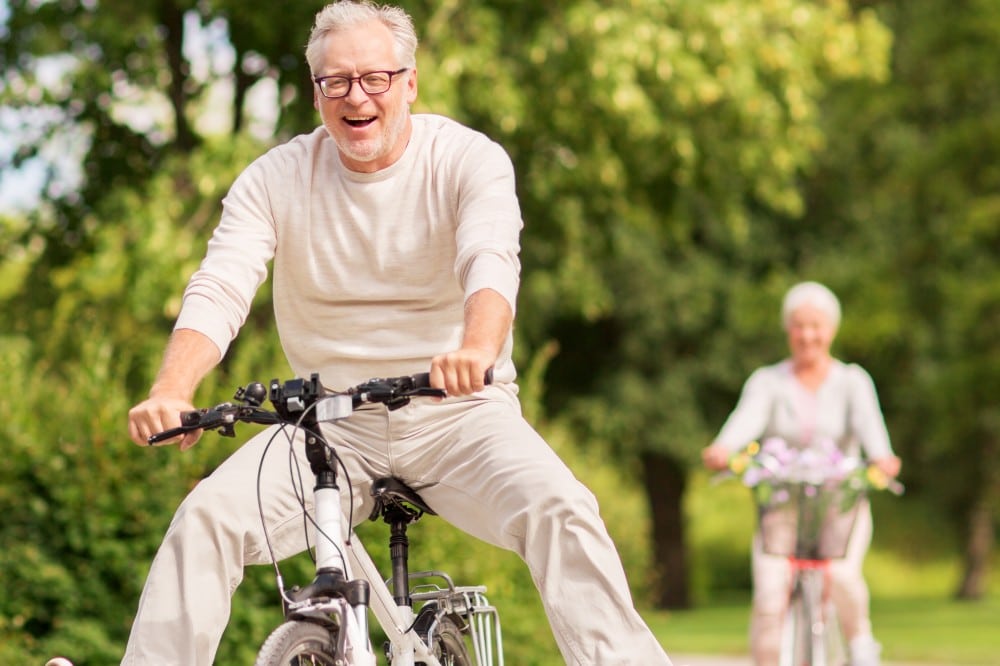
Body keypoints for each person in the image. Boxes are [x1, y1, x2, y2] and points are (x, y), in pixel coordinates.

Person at [110, 2, 673, 665]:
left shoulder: (466, 159)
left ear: (410, 82)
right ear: (315, 91)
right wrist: (173, 388)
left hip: (456, 414)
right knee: (204, 521)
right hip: (329, 425)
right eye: (336, 81)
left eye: (375, 77)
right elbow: (222, 284)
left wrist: (476, 350)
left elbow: (490, 260)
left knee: (561, 509)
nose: (357, 96)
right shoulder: (275, 178)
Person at [702, 281, 902, 666]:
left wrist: (882, 458)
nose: (808, 334)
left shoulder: (852, 381)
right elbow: (747, 419)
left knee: (842, 576)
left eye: (817, 325)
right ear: (787, 329)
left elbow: (871, 428)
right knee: (769, 596)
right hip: (782, 507)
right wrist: (723, 448)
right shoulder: (768, 381)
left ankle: (861, 645)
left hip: (839, 504)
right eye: (799, 325)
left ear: (832, 329)